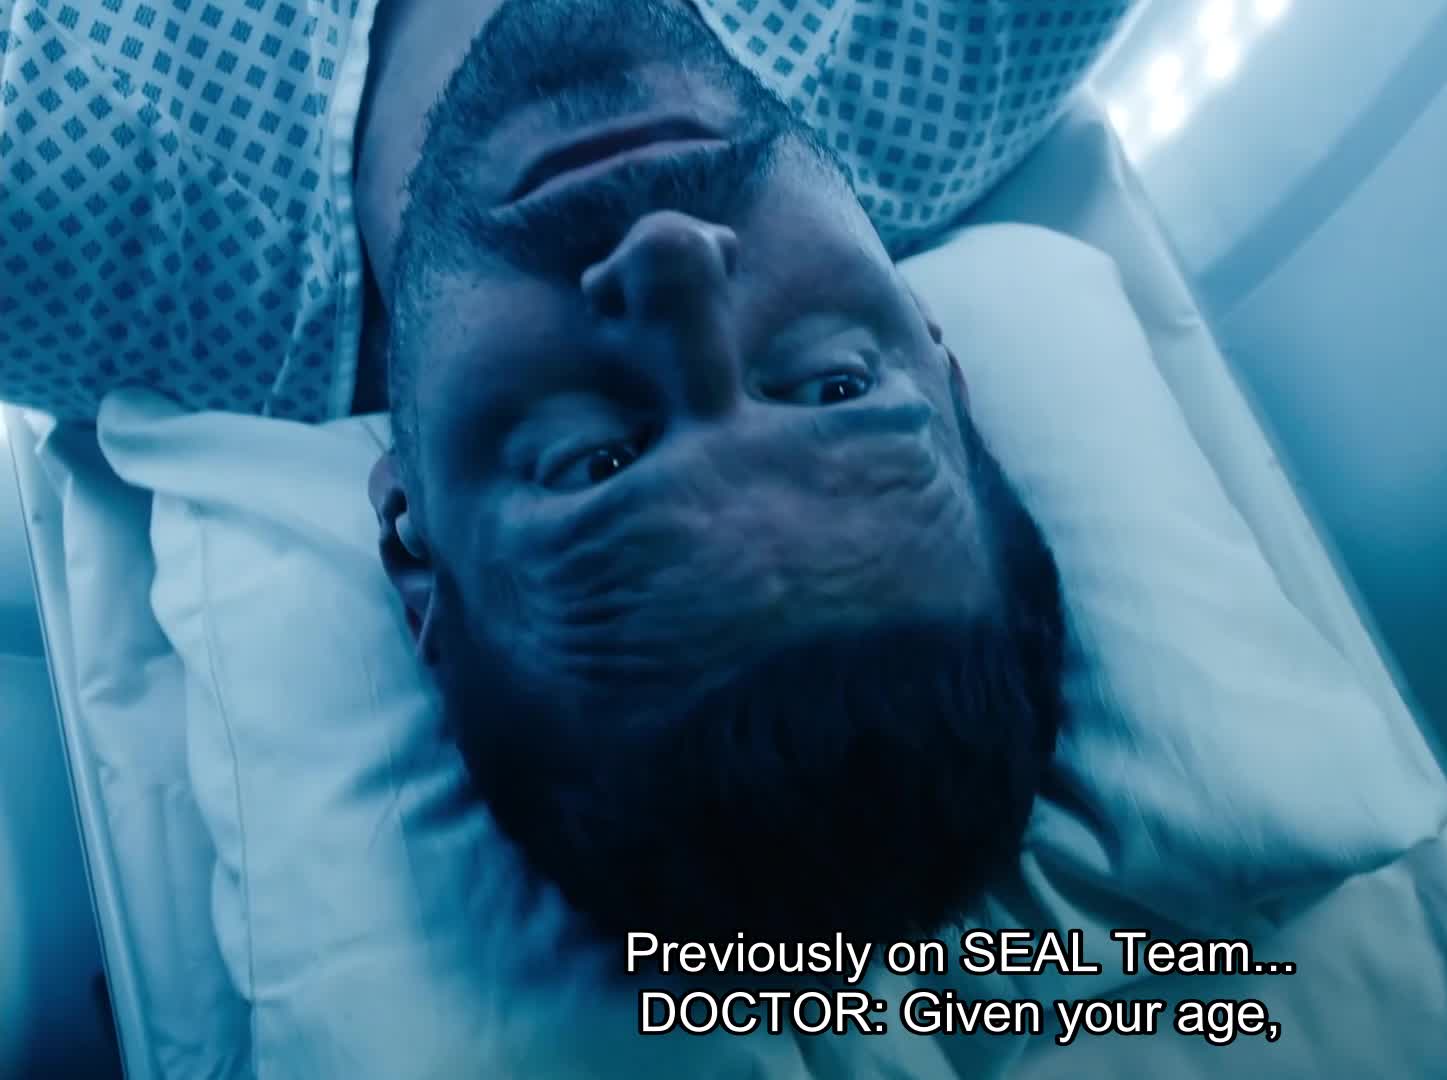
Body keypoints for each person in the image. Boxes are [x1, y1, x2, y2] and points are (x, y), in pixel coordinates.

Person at [1, 0, 1133, 946]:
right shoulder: (952, 40)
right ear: (935, 348)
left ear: (411, 530)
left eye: (600, 458)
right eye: (834, 388)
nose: (673, 257)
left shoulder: (54, 208)